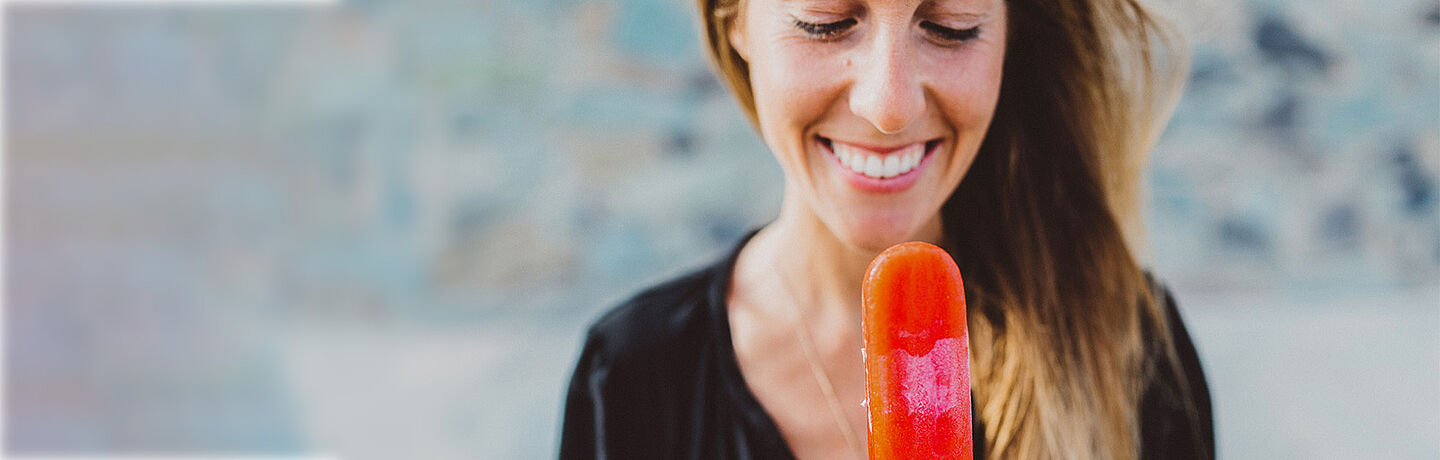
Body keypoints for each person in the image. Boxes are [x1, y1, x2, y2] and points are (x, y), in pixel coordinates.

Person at [559, 0, 1214, 457]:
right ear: (738, 23)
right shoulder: (631, 377)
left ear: (1011, 33)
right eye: (827, 22)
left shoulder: (1130, 349)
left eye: (952, 27)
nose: (889, 106)